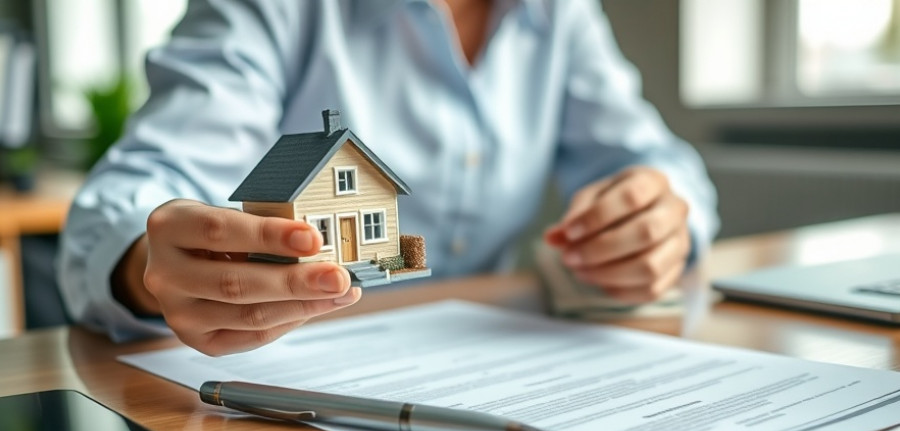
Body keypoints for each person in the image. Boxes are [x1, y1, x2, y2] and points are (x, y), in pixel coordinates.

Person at [58, 0, 719, 356]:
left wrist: (661, 217)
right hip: (302, 381)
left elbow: (654, 161)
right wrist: (147, 264)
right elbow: (132, 196)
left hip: (500, 356)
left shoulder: (562, 13)